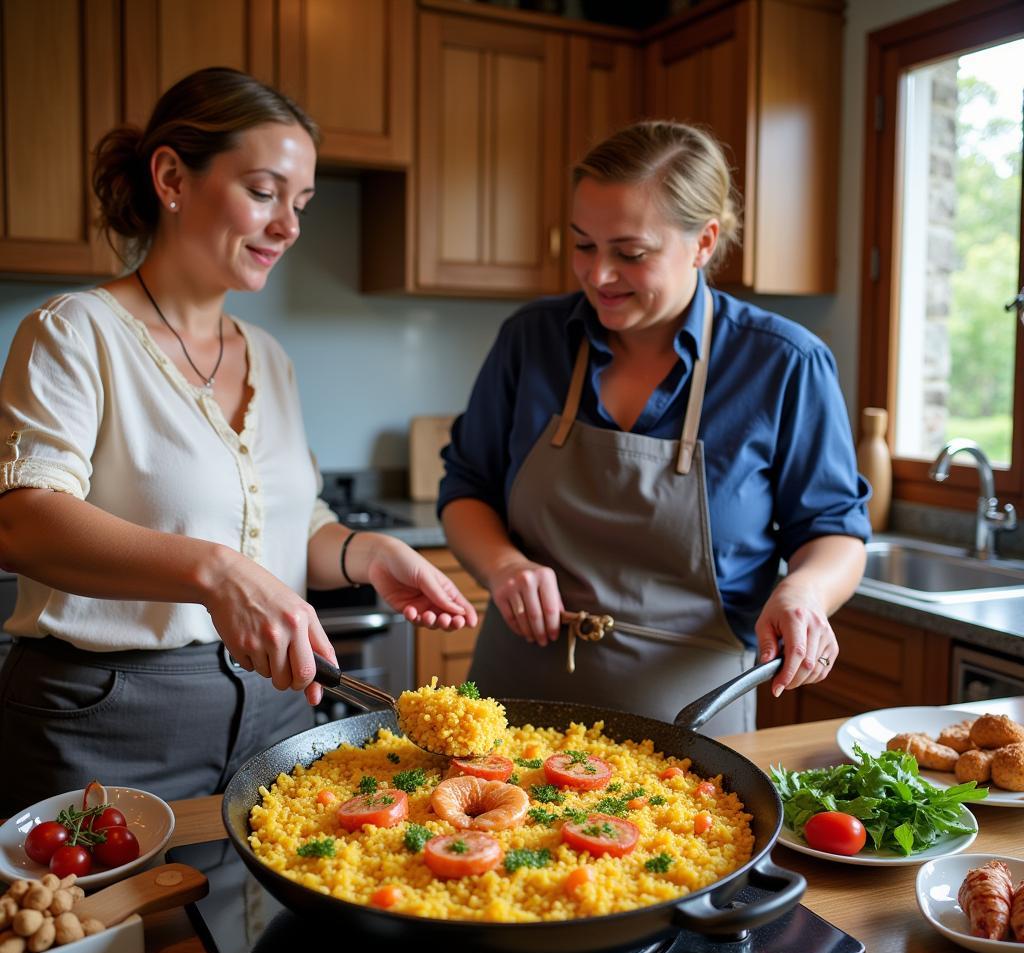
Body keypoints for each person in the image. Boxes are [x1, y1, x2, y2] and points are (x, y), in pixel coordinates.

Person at [0, 67, 477, 816]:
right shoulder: (74, 331)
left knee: (257, 934)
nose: (288, 225)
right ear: (171, 177)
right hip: (105, 724)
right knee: (112, 936)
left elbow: (293, 523)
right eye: (263, 192)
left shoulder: (268, 356)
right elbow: (21, 520)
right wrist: (216, 574)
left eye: (302, 204)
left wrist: (365, 553)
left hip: (274, 715)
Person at [439, 121, 870, 733]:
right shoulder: (531, 341)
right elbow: (466, 488)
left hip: (690, 722)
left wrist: (804, 592)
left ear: (703, 242)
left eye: (630, 253)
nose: (598, 276)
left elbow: (834, 532)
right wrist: (503, 565)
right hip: (511, 709)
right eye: (583, 245)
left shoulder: (782, 363)